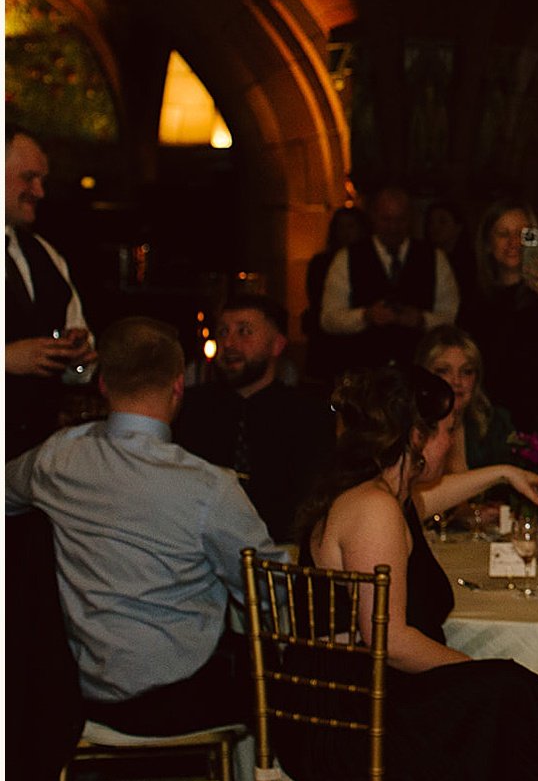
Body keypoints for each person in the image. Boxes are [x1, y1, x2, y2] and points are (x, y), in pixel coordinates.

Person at [284, 365, 538, 781]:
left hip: (365, 704)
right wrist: (474, 671)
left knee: (508, 706)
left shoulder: (379, 496)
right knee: (509, 694)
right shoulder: (374, 509)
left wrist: (504, 472)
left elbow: (433, 498)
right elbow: (391, 641)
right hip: (350, 728)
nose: (451, 442)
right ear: (416, 437)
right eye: (447, 430)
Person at [6, 316, 277, 735]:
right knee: (267, 684)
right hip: (174, 700)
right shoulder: (208, 487)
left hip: (77, 693)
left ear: (103, 385)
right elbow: (270, 592)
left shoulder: (58, 457)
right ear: (178, 385)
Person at [174, 294, 335, 542]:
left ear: (277, 345)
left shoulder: (308, 416)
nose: (229, 343)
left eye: (244, 332)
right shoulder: (190, 407)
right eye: (223, 331)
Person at [5, 129, 97, 459]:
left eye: (42, 180)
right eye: (29, 178)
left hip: (38, 458)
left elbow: (79, 370)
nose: (40, 192)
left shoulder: (46, 255)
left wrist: (77, 355)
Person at [457, 200, 538, 432]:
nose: (513, 242)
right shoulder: (475, 298)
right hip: (490, 420)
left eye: (522, 234)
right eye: (503, 234)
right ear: (487, 243)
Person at [319, 186, 459, 371]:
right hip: (364, 371)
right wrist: (366, 316)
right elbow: (328, 319)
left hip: (419, 370)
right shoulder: (348, 257)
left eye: (400, 220)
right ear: (373, 217)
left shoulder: (434, 258)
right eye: (386, 220)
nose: (393, 227)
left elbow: (452, 316)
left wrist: (421, 320)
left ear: (410, 219)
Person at [414, 324, 518, 473]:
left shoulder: (496, 424)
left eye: (466, 372)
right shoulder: (408, 430)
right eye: (443, 371)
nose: (456, 381)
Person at [303, 205, 369, 388]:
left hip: (359, 345)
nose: (346, 233)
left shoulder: (369, 264)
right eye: (341, 227)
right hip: (327, 345)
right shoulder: (321, 263)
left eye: (351, 226)